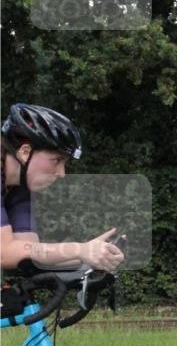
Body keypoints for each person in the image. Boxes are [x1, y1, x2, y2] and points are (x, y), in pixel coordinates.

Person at [1, 103, 123, 272]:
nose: (62, 174)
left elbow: (29, 257)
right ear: (25, 152)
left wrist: (94, 256)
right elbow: (4, 253)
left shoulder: (20, 188)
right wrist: (80, 250)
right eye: (56, 160)